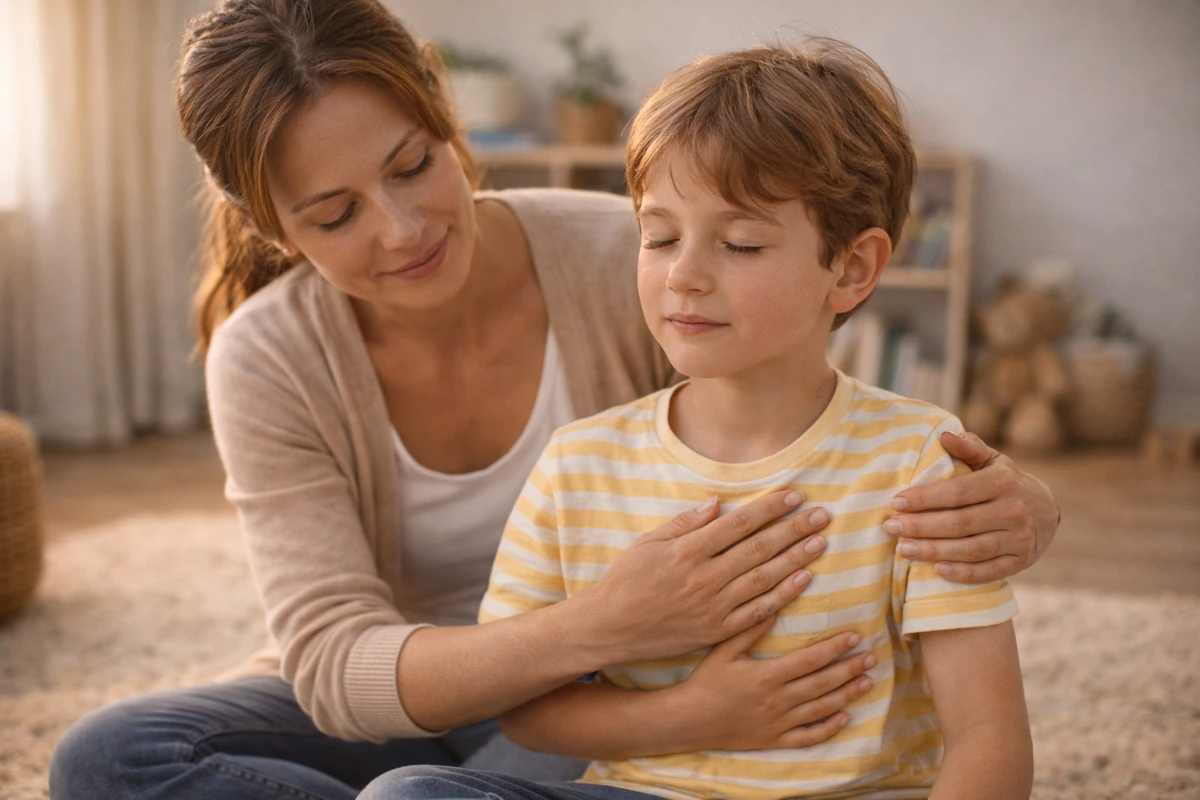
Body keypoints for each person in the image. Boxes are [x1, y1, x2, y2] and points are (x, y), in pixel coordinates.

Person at [49, 2, 1054, 799]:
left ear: (447, 117)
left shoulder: (639, 257)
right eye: (336, 212)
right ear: (268, 224)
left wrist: (1022, 504)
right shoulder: (268, 355)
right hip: (454, 684)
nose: (401, 229)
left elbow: (804, 407)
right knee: (106, 759)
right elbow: (330, 660)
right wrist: (606, 627)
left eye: (412, 165)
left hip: (613, 694)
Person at [360, 39, 1032, 800]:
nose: (684, 275)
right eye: (660, 236)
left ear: (850, 269)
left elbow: (988, 731)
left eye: (740, 242)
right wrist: (689, 717)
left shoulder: (915, 462)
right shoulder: (577, 465)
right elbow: (528, 715)